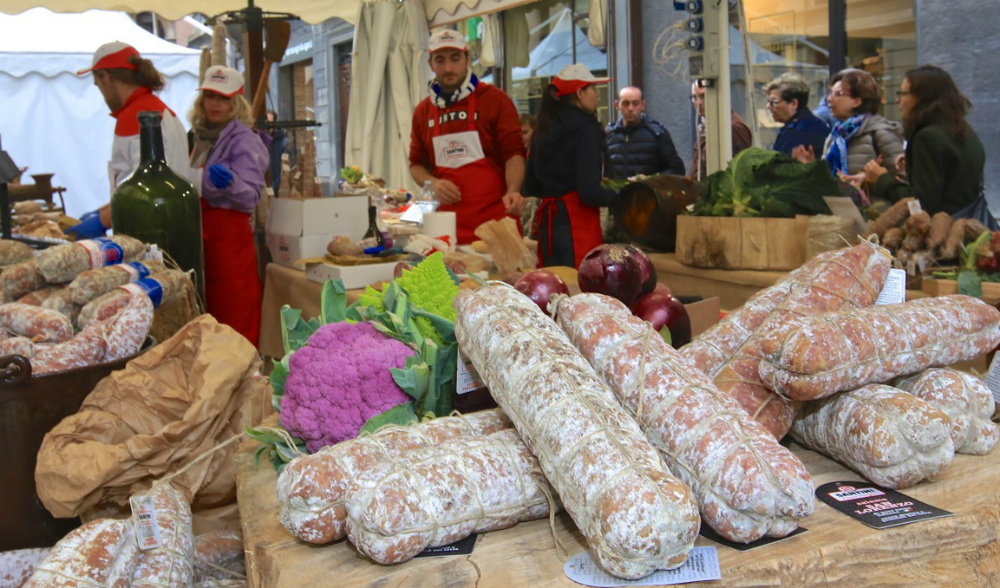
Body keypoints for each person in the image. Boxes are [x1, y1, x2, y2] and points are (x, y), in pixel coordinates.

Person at [409, 30, 526, 244]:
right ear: (430, 64)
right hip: (445, 228)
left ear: (467, 59)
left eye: (455, 59)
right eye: (440, 60)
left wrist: (514, 190)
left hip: (497, 225)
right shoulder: (422, 111)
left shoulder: (495, 100)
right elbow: (415, 165)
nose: (448, 68)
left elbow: (514, 154)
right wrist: (433, 183)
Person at [67, 42, 190, 240]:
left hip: (151, 231)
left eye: (98, 85)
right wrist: (102, 212)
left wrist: (102, 221)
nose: (102, 94)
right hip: (168, 225)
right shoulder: (157, 109)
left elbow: (142, 189)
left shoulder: (137, 116)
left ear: (104, 77)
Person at [188, 65, 270, 346]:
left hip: (228, 244)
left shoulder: (246, 140)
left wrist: (231, 183)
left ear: (236, 102)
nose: (215, 104)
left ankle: (242, 379)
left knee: (234, 316)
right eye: (210, 96)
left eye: (223, 98)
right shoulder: (197, 136)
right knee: (204, 315)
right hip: (198, 238)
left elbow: (251, 196)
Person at [864, 65, 990, 220]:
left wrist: (882, 179)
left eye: (903, 93)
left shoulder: (927, 137)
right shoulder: (960, 129)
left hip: (944, 232)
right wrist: (914, 165)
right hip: (970, 221)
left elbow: (921, 206)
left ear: (923, 97)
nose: (898, 100)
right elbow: (953, 178)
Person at [524, 64, 617, 268]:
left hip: (549, 223)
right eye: (593, 89)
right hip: (577, 223)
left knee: (552, 286)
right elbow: (589, 191)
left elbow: (530, 186)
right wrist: (620, 198)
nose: (597, 95)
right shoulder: (585, 130)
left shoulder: (542, 128)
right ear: (580, 93)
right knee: (579, 288)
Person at [792, 68, 904, 184]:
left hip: (873, 202)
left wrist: (869, 179)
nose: (829, 99)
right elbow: (827, 182)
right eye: (830, 93)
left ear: (857, 101)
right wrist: (811, 168)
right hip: (839, 202)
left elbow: (902, 181)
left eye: (838, 94)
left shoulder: (880, 132)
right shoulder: (836, 135)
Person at [604, 86, 685, 179]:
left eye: (635, 103)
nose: (630, 108)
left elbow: (677, 169)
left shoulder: (657, 134)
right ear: (617, 105)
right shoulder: (609, 135)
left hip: (647, 192)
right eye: (625, 103)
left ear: (643, 105)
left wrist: (650, 180)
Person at [688, 79, 753, 181]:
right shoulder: (708, 125)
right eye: (695, 97)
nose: (699, 102)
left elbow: (740, 171)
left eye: (704, 96)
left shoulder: (732, 127)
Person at [764, 73, 830, 157]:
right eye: (768, 102)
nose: (768, 106)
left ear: (794, 103)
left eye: (774, 102)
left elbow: (783, 167)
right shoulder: (812, 123)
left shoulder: (799, 132)